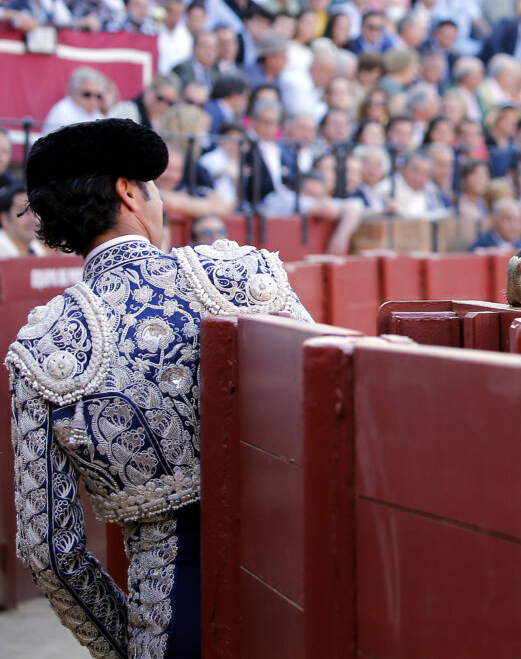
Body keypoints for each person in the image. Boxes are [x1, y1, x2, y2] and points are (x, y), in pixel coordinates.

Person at [6, 118, 313, 659]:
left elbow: (48, 552)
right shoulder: (237, 274)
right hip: (296, 585)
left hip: (165, 613)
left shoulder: (43, 344)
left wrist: (130, 646)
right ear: (129, 191)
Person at [0, 184, 47, 256]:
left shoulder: (37, 249)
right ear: (5, 218)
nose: (33, 219)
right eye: (23, 211)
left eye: (36, 211)